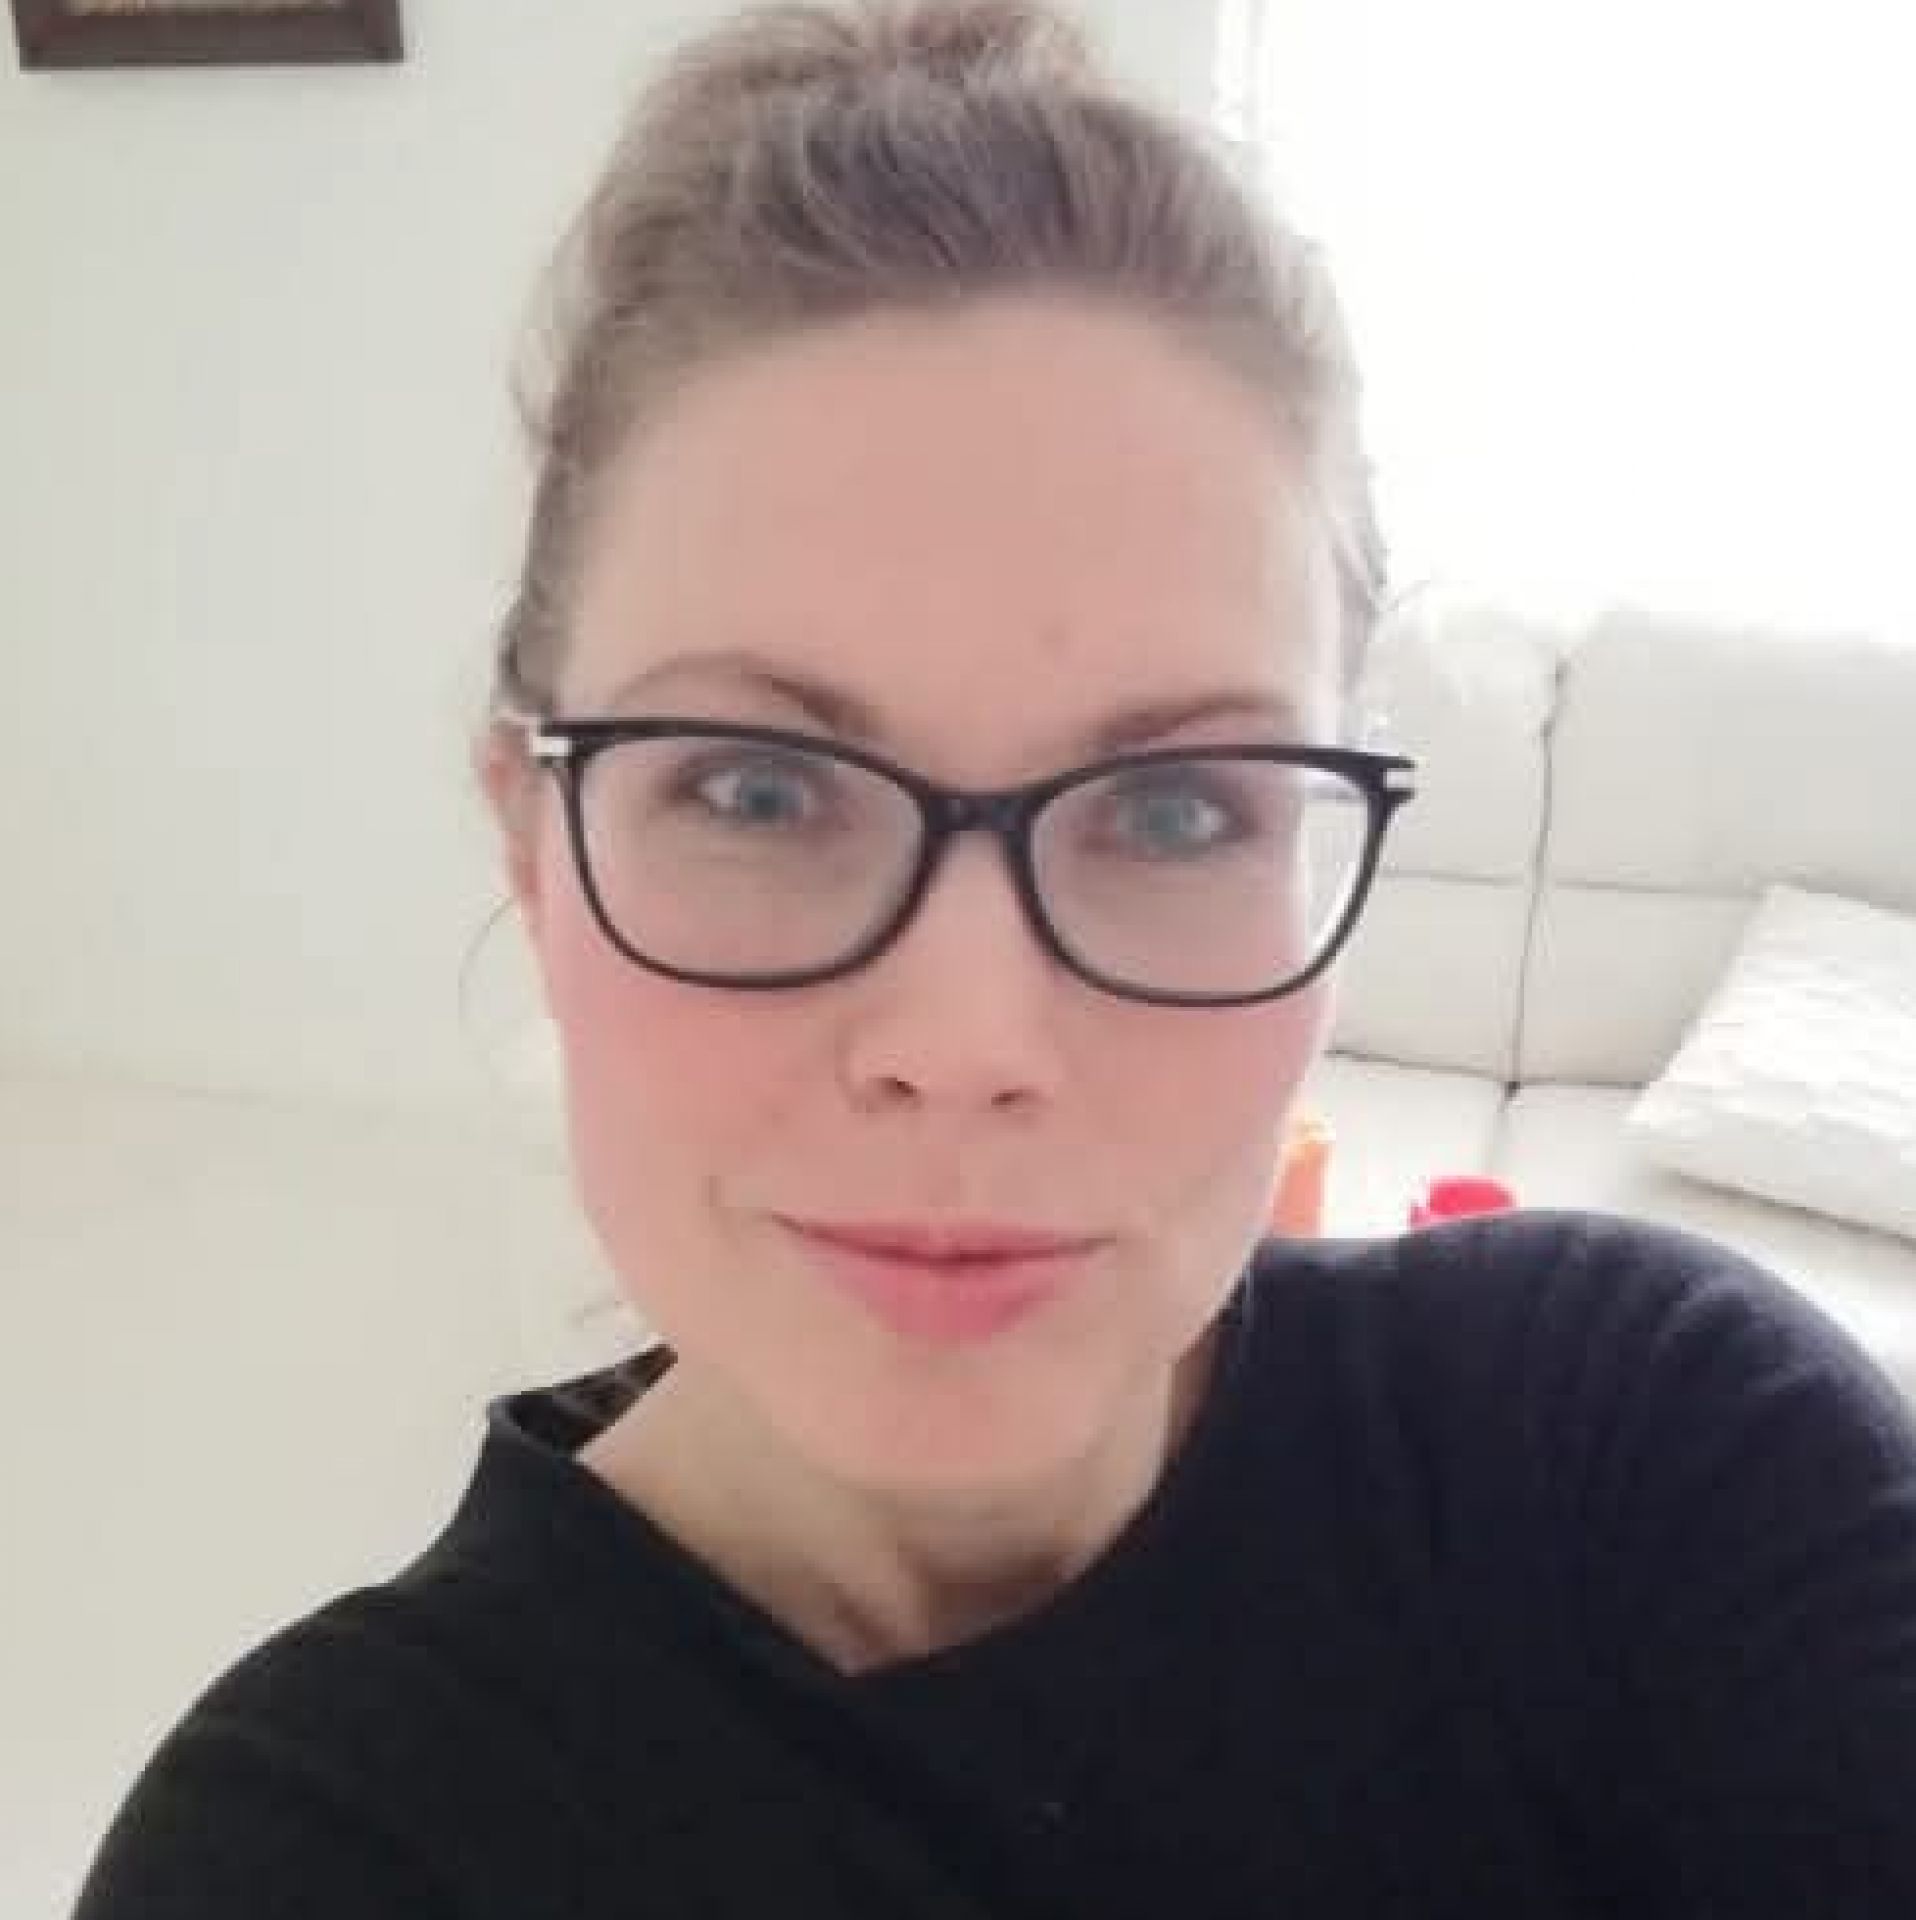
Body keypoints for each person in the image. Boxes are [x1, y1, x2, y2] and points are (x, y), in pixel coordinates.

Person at [72, 2, 1916, 1914]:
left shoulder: (1659, 1456)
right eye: (761, 792)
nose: (967, 1041)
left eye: (1176, 810)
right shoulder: (317, 1850)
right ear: (535, 856)